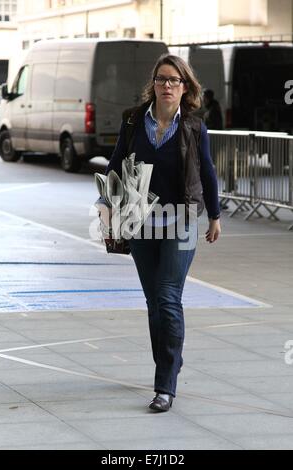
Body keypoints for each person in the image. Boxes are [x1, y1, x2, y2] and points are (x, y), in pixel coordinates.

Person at [104, 54, 221, 412]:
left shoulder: (194, 126)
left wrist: (214, 216)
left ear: (185, 87)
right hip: (141, 222)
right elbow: (115, 163)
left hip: (182, 219)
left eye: (174, 80)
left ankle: (165, 386)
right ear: (153, 84)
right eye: (161, 79)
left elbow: (208, 171)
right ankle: (168, 364)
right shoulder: (133, 120)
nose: (167, 86)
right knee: (155, 302)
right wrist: (107, 206)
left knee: (168, 297)